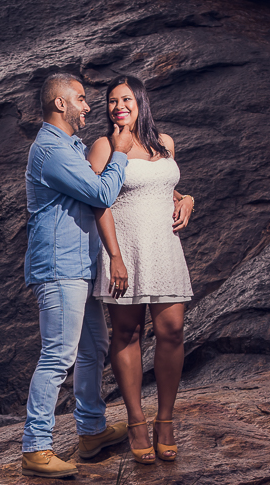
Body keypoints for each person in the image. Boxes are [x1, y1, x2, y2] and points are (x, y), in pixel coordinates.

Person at [20, 73, 136, 478]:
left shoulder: (70, 147)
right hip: (59, 268)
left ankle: (91, 430)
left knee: (93, 348)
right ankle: (35, 448)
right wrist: (119, 153)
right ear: (60, 104)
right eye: (81, 99)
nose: (88, 106)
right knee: (58, 356)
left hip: (80, 267)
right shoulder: (51, 150)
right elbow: (102, 193)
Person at [86, 75, 195, 464]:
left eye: (126, 99)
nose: (119, 106)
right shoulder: (103, 146)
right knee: (127, 334)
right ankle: (136, 422)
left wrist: (187, 198)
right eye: (112, 101)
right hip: (125, 251)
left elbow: (162, 186)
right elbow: (98, 201)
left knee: (172, 331)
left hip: (165, 249)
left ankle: (165, 420)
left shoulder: (164, 143)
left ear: (141, 102)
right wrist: (114, 257)